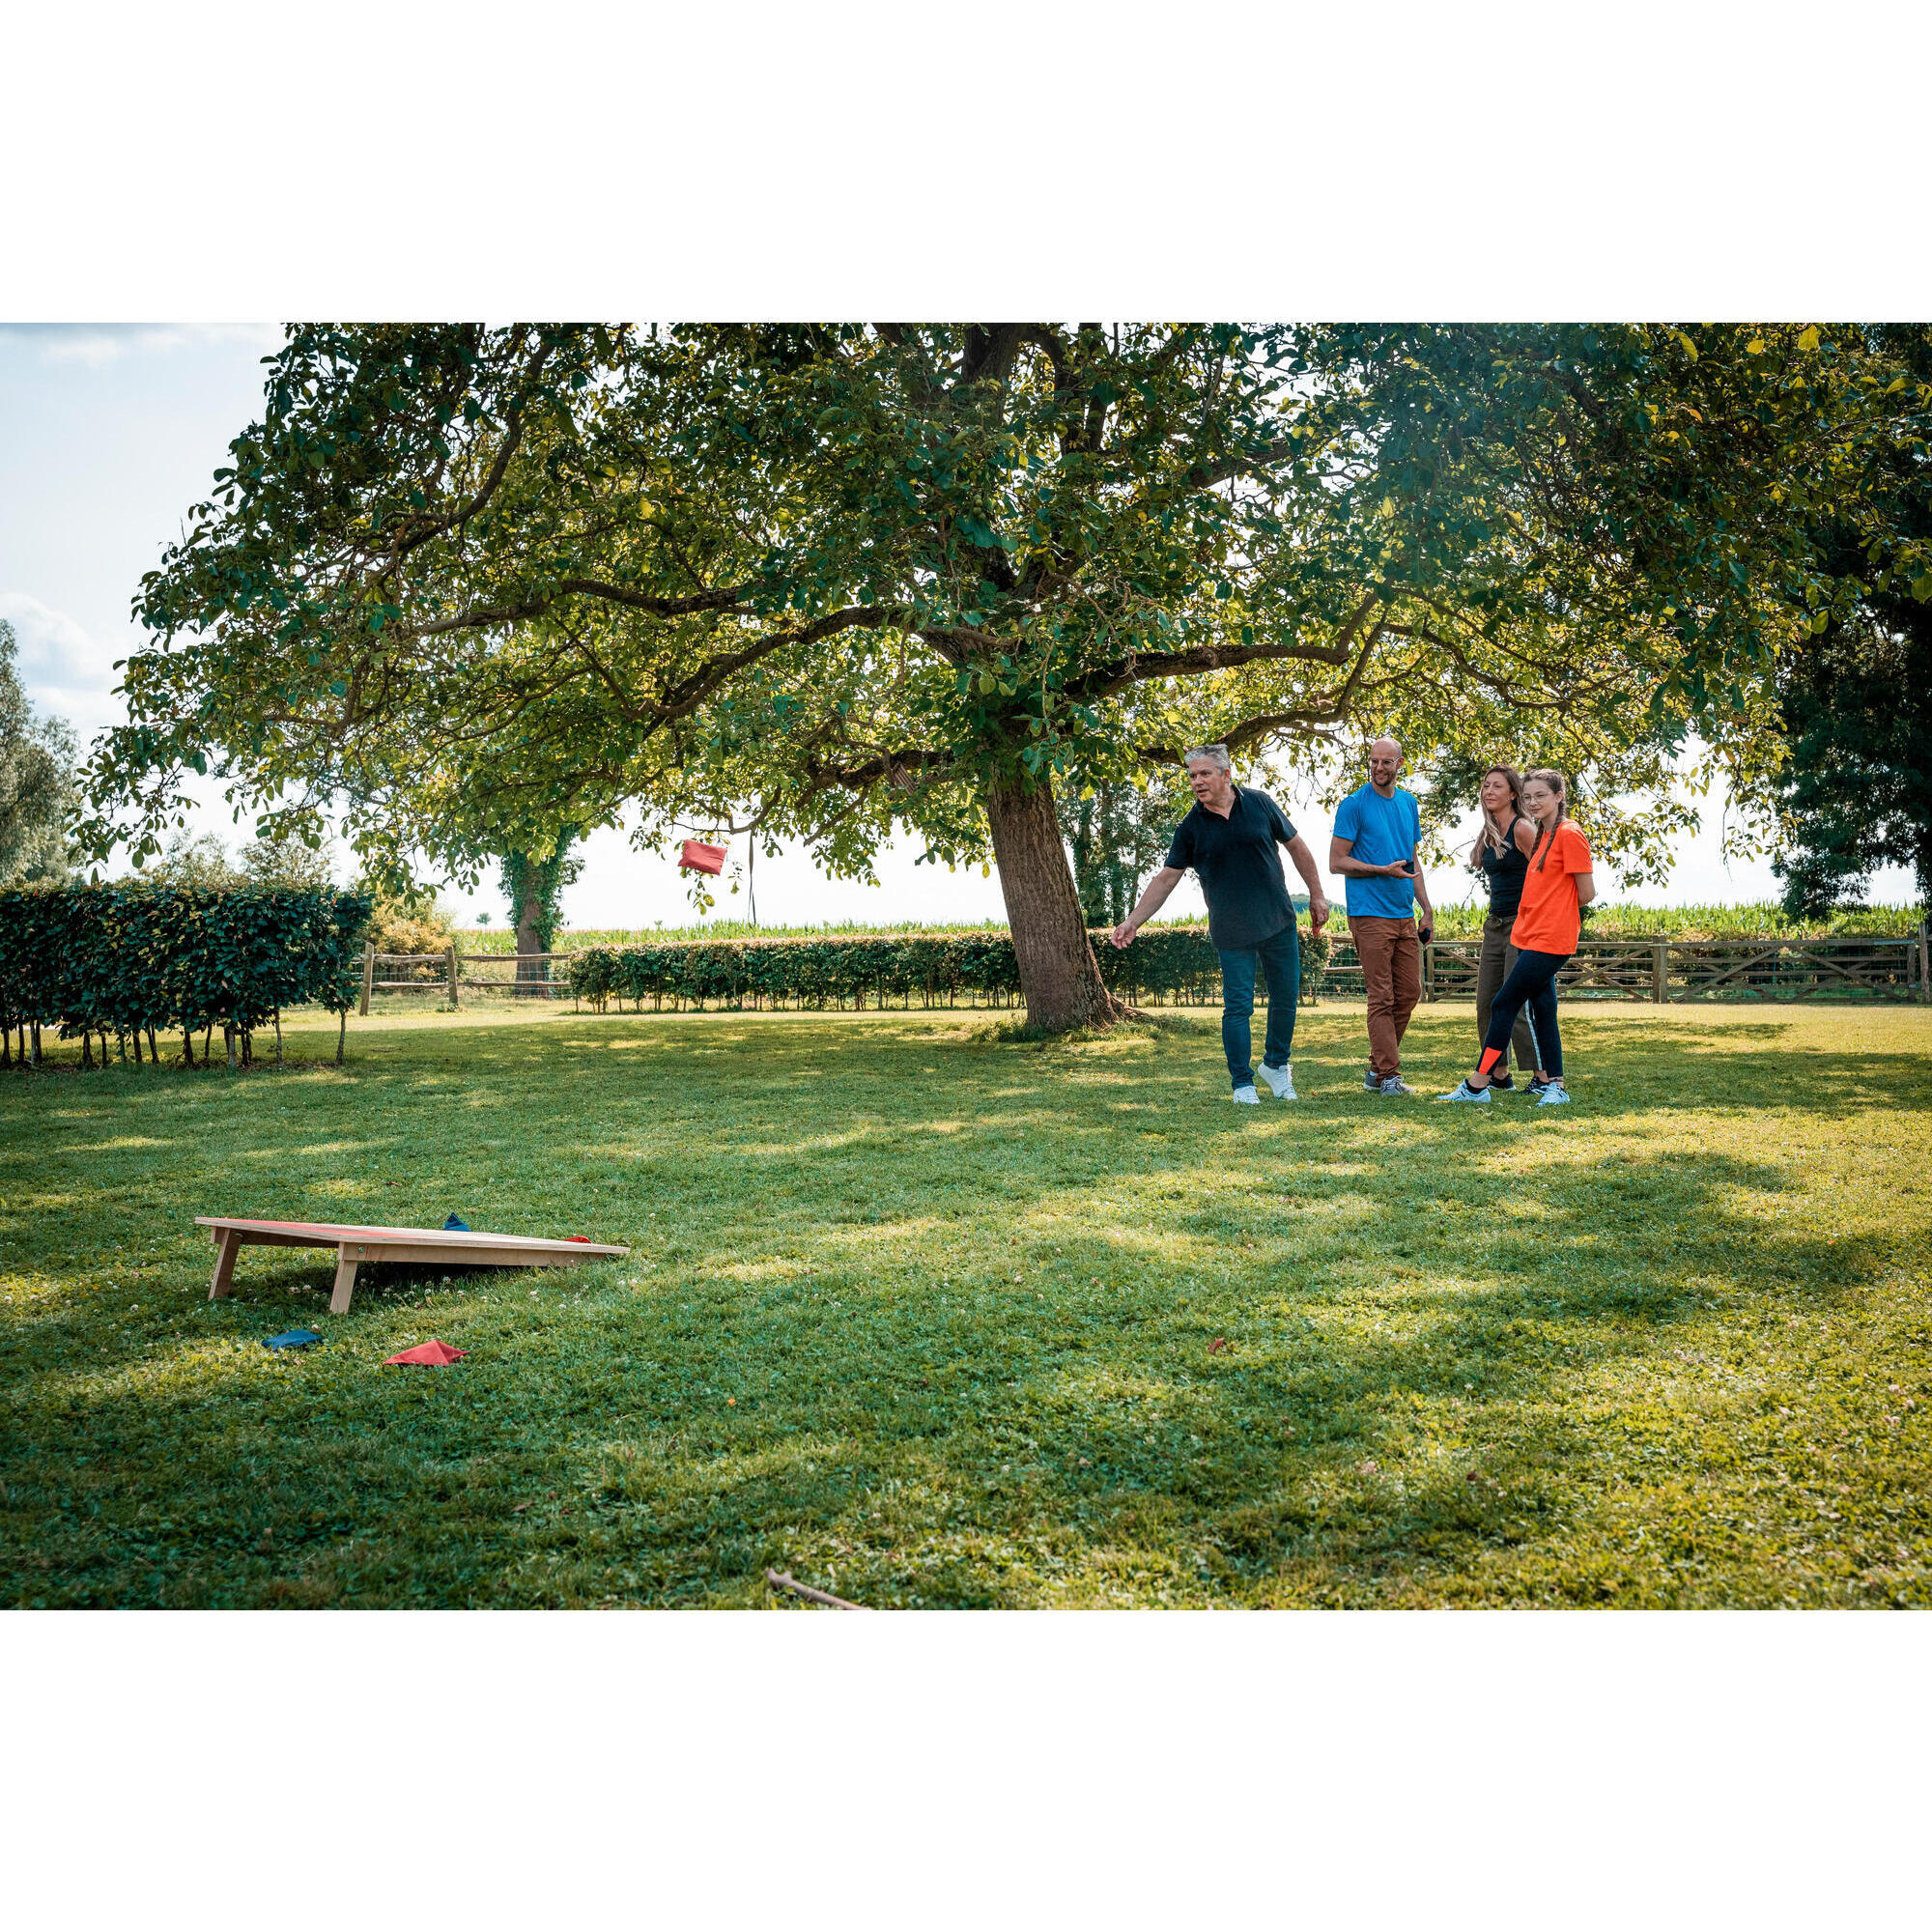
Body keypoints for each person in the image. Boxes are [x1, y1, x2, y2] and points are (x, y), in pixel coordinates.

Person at [1111, 745, 1329, 1103]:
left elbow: (1297, 848)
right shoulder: (1190, 827)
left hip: (1279, 921)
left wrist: (1317, 894)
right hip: (1232, 931)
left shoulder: (1260, 804)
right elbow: (1167, 878)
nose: (1196, 781)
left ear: (1226, 775)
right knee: (1239, 1007)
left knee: (1287, 999)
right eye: (1192, 775)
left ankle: (1276, 1066)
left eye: (1204, 774)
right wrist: (1133, 921)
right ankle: (1242, 1083)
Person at [1441, 768, 1595, 1106]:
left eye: (1540, 795)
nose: (1533, 802)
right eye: (1528, 797)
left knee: (1504, 1003)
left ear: (1558, 797)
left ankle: (1478, 1084)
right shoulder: (1543, 834)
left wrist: (1550, 910)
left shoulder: (1569, 833)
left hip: (1551, 938)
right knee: (1543, 1007)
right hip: (1530, 935)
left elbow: (1586, 892)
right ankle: (1553, 1084)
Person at [1329, 735, 1434, 1096]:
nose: (1378, 768)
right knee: (1382, 997)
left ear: (1399, 764)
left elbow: (1412, 859)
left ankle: (1376, 1070)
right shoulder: (1353, 805)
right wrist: (1380, 870)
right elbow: (1336, 861)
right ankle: (1389, 1076)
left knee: (1410, 992)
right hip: (1368, 912)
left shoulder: (1408, 803)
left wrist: (1427, 908)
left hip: (1404, 913)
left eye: (1386, 762)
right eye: (1373, 761)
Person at [1467, 764, 1543, 1091]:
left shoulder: (1523, 828)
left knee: (1514, 1003)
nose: (1489, 791)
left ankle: (1542, 1075)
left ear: (1513, 793)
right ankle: (1499, 1073)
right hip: (1494, 926)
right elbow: (1481, 863)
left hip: (1522, 925)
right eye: (1486, 786)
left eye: (1497, 786)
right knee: (1486, 1002)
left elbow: (1546, 874)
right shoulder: (1490, 832)